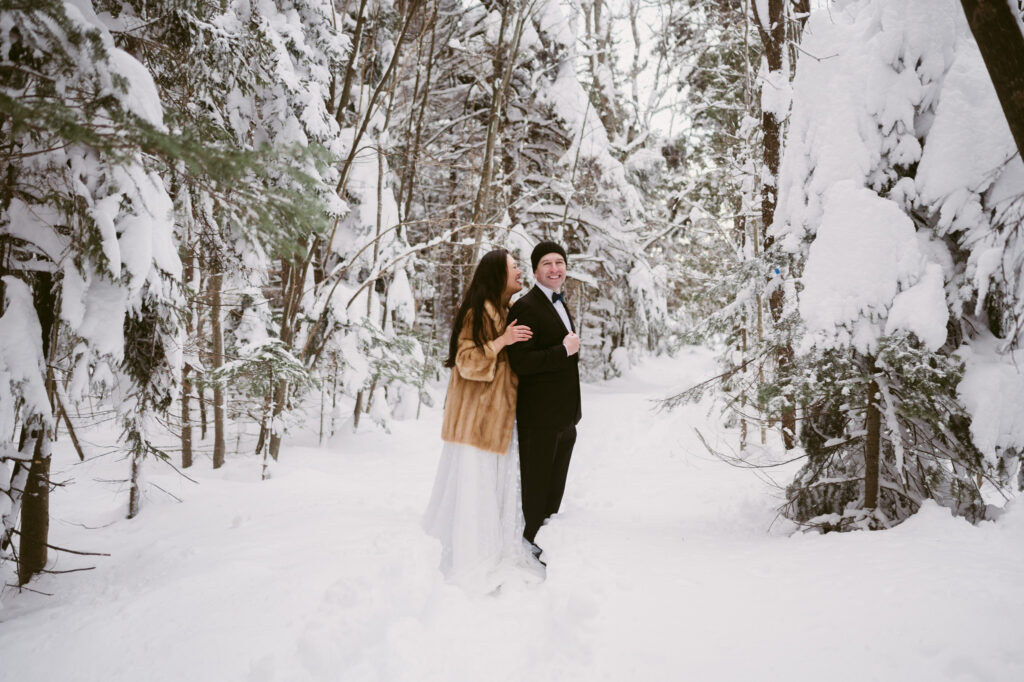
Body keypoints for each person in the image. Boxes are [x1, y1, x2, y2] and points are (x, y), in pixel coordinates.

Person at [423, 248, 546, 593]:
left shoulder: (506, 311)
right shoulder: (479, 313)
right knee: (475, 491)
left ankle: (494, 547)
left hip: (498, 421)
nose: (521, 271)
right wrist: (502, 341)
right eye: (514, 267)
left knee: (494, 489)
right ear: (497, 274)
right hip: (476, 423)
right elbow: (465, 361)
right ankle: (473, 555)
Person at [506, 241, 581, 562]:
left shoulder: (558, 303)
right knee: (537, 486)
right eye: (547, 263)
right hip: (540, 416)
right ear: (535, 269)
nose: (555, 268)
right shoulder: (526, 306)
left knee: (555, 487)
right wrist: (563, 350)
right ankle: (531, 543)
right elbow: (520, 362)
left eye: (560, 262)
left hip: (565, 416)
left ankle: (547, 540)